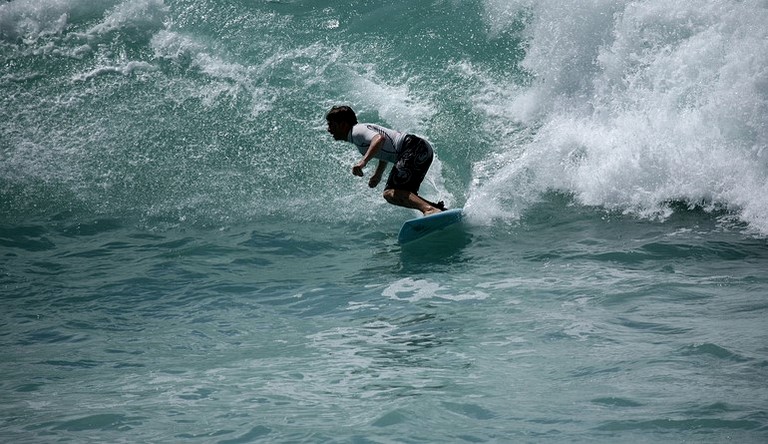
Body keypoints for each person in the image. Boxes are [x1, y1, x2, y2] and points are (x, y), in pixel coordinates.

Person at [325, 105, 445, 216]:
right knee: (400, 192)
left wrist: (363, 162)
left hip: (413, 148)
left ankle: (430, 210)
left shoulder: (356, 132)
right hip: (419, 148)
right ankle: (437, 209)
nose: (329, 129)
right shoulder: (359, 132)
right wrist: (378, 174)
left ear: (343, 125)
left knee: (391, 193)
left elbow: (379, 139)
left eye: (331, 125)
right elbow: (383, 150)